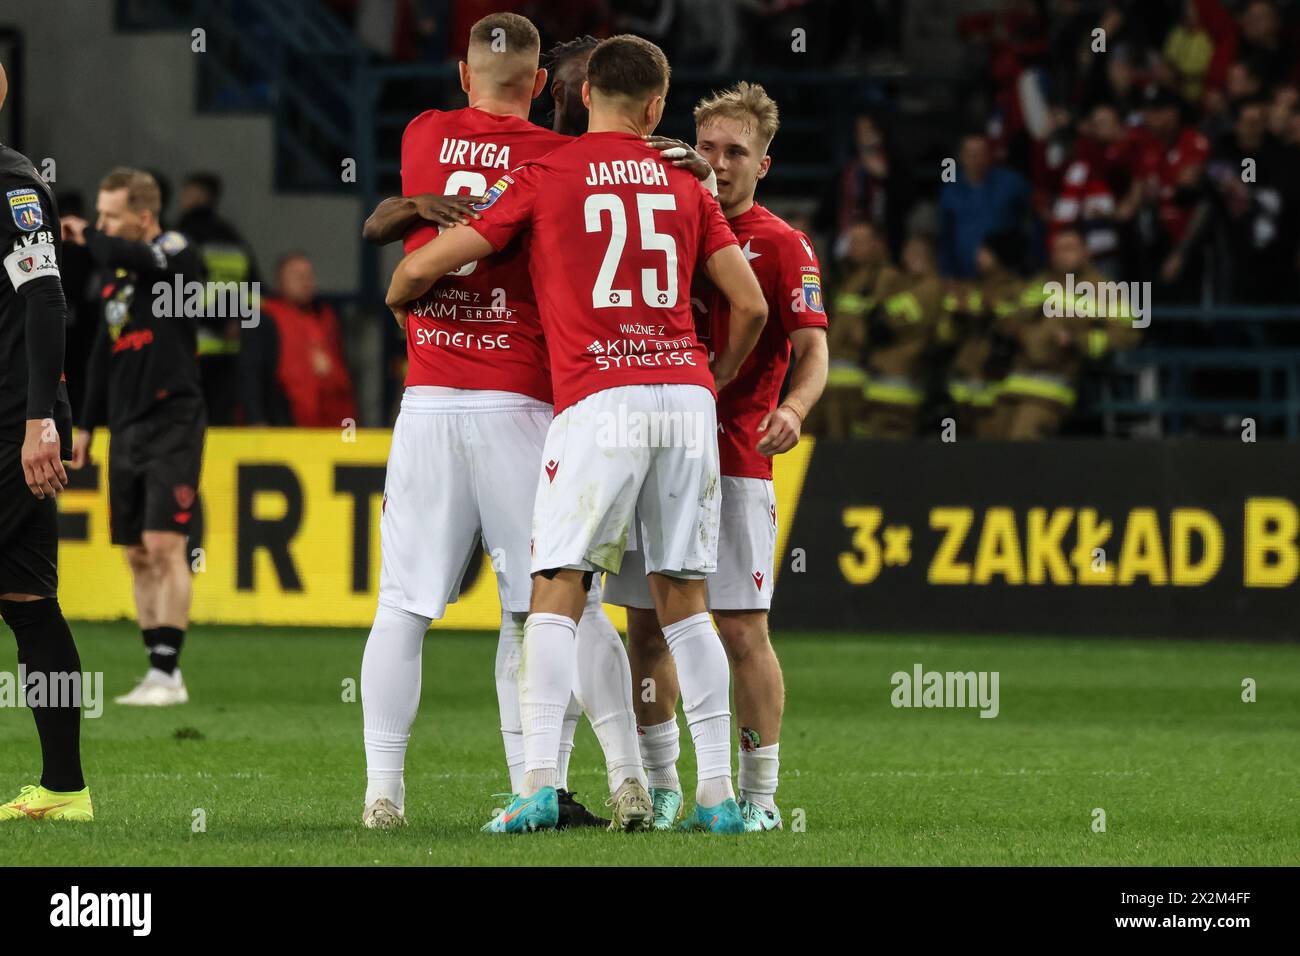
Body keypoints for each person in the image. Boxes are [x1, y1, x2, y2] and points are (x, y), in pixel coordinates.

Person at [386, 33, 769, 834]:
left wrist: (404, 287)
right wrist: (718, 373)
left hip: (599, 396)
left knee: (553, 592)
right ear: (659, 108)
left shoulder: (546, 172)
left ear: (584, 89)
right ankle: (720, 799)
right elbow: (753, 306)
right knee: (686, 604)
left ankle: (534, 786)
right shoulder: (682, 181)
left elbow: (424, 269)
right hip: (686, 397)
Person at [357, 13, 649, 832]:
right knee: (560, 602)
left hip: (429, 397)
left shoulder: (423, 133)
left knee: (402, 606)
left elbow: (395, 234)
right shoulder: (561, 158)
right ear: (544, 88)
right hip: (522, 399)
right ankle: (613, 776)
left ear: (463, 76)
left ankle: (385, 794)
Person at [604, 82, 829, 832]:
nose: (720, 164)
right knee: (644, 627)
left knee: (739, 631)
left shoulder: (783, 245)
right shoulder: (662, 221)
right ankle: (664, 785)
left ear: (764, 163)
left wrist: (793, 409)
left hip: (735, 457)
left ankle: (759, 794)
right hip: (651, 450)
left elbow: (813, 350)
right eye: (708, 148)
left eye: (737, 152)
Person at [62, 168, 206, 707]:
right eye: (98, 215)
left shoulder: (174, 250)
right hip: (125, 425)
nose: (100, 224)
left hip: (173, 416)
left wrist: (89, 238)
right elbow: (102, 353)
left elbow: (144, 258)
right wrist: (85, 423)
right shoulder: (113, 281)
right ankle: (156, 671)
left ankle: (170, 673)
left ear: (143, 217)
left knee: (165, 543)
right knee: (135, 552)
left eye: (110, 215)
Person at [0, 61, 93, 822]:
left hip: (8, 423)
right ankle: (64, 790)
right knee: (28, 601)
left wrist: (40, 420)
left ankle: (65, 786)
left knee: (30, 603)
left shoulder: (10, 184)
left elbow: (46, 299)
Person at [994, 228, 1141, 439]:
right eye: (1057, 249)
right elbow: (1010, 318)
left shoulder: (1104, 289)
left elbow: (1128, 334)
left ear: (1086, 252)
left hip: (1057, 384)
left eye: (1069, 248)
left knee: (1019, 448)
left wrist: (1079, 341)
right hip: (1014, 382)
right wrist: (1013, 329)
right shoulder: (1040, 283)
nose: (1061, 254)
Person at [177, 172, 259, 425]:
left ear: (198, 195)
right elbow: (252, 289)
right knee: (222, 423)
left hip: (193, 349)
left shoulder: (182, 235)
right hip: (231, 349)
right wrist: (237, 321)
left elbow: (183, 290)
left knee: (191, 423)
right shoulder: (235, 238)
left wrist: (217, 322)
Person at [242, 252, 356, 427]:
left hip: (332, 424)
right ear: (279, 281)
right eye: (296, 275)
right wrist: (256, 419)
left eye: (308, 275)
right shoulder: (264, 318)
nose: (305, 281)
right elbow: (251, 373)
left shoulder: (326, 317)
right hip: (284, 422)